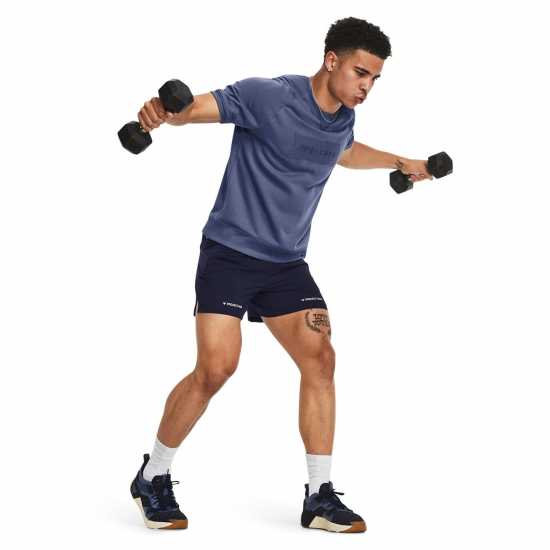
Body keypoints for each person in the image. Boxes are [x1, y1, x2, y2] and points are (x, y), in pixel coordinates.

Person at [130, 16, 432, 533]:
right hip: (230, 253)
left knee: (321, 359)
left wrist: (399, 161)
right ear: (331, 60)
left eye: (375, 79)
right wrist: (163, 112)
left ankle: (319, 496)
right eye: (361, 72)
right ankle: (152, 475)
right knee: (216, 370)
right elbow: (193, 109)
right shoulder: (268, 96)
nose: (367, 86)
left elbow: (343, 152)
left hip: (286, 265)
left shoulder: (341, 120)